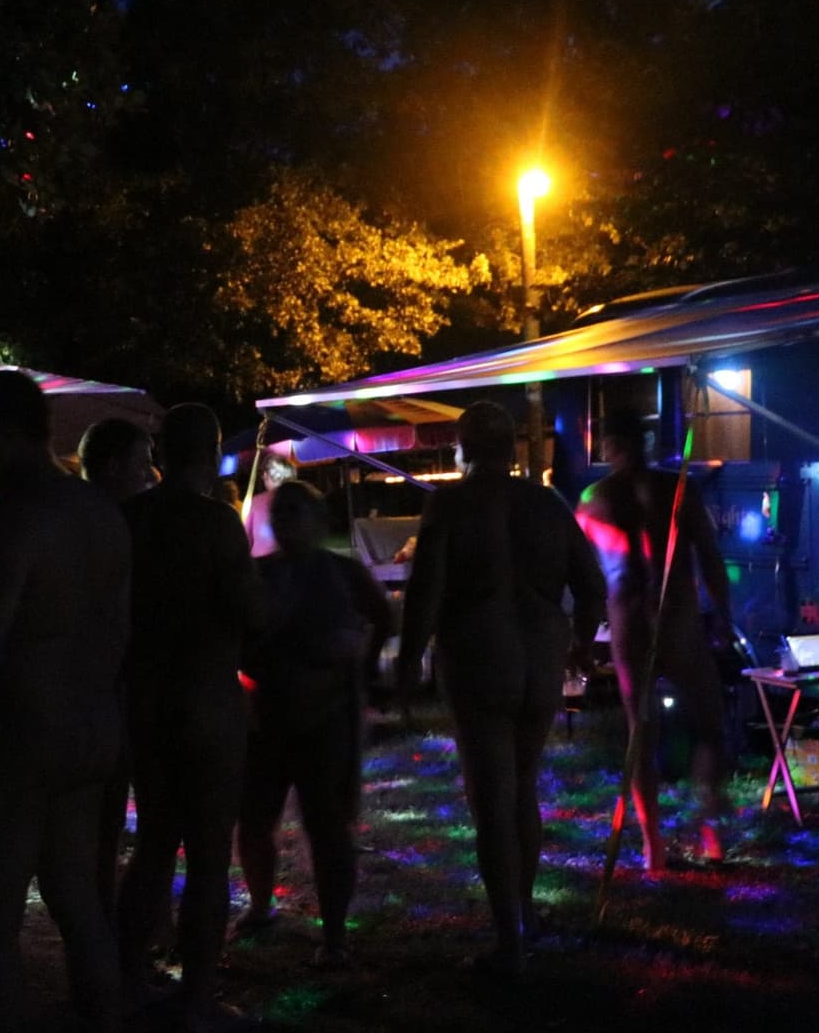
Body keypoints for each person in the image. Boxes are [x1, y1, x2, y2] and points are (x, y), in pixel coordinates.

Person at [399, 401, 606, 974]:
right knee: (523, 789)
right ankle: (523, 916)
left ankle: (509, 942)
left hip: (479, 656)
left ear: (463, 448)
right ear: (512, 450)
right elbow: (591, 587)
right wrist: (581, 644)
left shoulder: (452, 502)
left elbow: (427, 586)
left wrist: (407, 660)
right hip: (539, 659)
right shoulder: (546, 503)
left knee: (492, 799)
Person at [0, 371, 131, 1033]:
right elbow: (121, 627)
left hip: (20, 735)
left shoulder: (16, 517)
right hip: (91, 726)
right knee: (78, 900)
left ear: (6, 433)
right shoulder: (100, 511)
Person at [117, 403, 264, 1028]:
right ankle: (197, 994)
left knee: (153, 843)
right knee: (206, 855)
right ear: (212, 454)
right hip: (206, 698)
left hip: (144, 701)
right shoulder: (216, 523)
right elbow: (247, 614)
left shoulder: (129, 518)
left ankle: (125, 980)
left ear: (160, 451)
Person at [236, 481, 392, 967]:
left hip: (327, 718)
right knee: (257, 819)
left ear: (319, 521)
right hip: (266, 718)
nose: (285, 522)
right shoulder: (257, 574)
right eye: (280, 513)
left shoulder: (343, 573)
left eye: (296, 512)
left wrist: (364, 670)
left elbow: (383, 615)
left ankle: (334, 935)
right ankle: (262, 906)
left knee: (327, 827)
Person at [575, 410, 733, 870]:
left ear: (609, 448)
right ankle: (710, 830)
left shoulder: (593, 498)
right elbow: (709, 557)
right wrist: (722, 616)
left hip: (629, 624)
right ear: (642, 444)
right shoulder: (677, 488)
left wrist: (583, 636)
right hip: (678, 619)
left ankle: (653, 846)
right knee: (709, 725)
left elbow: (584, 573)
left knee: (640, 733)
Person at [78, 416, 158, 922]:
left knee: (104, 822)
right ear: (113, 467)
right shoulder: (116, 525)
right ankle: (113, 929)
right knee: (115, 817)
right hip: (111, 688)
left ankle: (108, 923)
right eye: (142, 460)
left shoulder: (77, 520)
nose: (150, 471)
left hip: (104, 687)